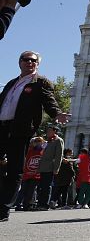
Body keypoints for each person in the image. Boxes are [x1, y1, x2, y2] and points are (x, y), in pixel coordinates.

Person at [0, 50, 70, 222]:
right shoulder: (11, 83)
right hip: (2, 127)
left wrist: (57, 114)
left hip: (20, 129)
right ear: (20, 62)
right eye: (26, 59)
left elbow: (49, 100)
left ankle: (3, 209)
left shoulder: (40, 82)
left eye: (33, 60)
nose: (29, 62)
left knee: (15, 169)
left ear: (37, 64)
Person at [36, 124, 64, 210]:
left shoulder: (58, 140)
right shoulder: (47, 141)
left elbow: (59, 155)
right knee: (41, 186)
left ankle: (44, 204)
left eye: (49, 130)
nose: (47, 132)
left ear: (54, 131)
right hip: (43, 167)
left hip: (50, 167)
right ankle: (40, 203)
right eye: (47, 130)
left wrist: (56, 168)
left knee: (46, 186)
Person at [19, 136, 45, 211]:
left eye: (39, 141)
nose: (37, 143)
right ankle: (20, 204)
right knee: (23, 190)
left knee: (31, 190)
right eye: (36, 141)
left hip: (36, 175)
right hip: (27, 173)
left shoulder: (43, 151)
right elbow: (26, 160)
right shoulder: (29, 150)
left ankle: (28, 205)